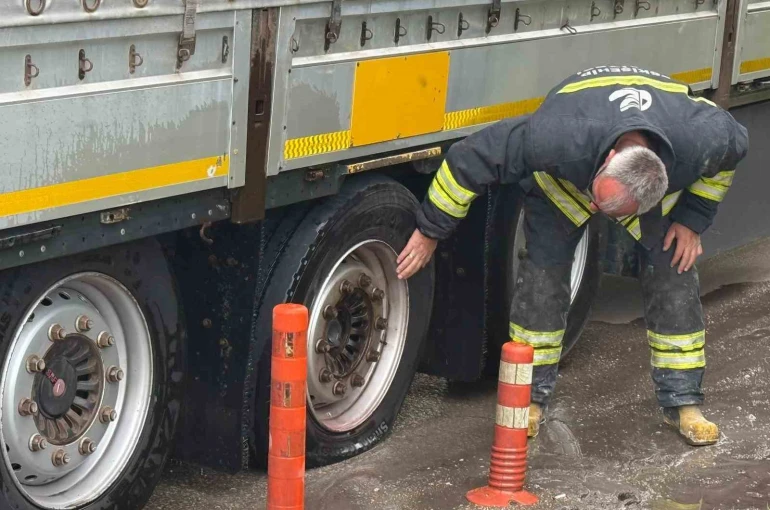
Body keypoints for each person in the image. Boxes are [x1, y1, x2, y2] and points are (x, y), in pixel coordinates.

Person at [396, 66, 749, 446]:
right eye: (598, 199)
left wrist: (692, 220)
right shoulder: (556, 136)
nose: (597, 211)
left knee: (674, 274)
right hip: (562, 186)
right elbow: (469, 159)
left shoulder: (704, 139)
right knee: (542, 282)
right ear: (609, 157)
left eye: (608, 211)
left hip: (641, 187)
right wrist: (430, 230)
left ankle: (684, 403)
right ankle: (528, 399)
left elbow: (729, 160)